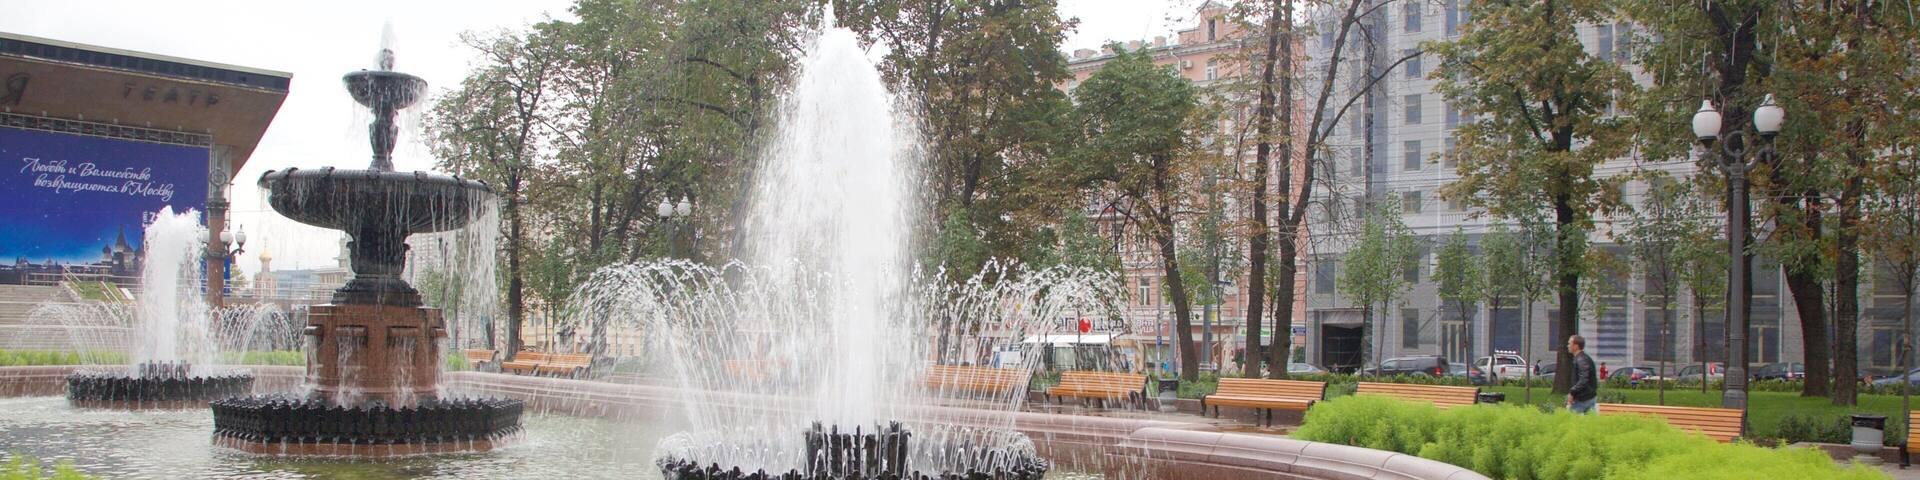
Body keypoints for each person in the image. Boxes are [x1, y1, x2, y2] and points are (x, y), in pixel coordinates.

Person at [1567, 335, 1598, 414]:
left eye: (1570, 343)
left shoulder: (1581, 360)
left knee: (1568, 420)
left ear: (1576, 346)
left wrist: (1572, 392)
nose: (1568, 346)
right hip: (1589, 395)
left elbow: (1583, 379)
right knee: (1591, 423)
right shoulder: (1583, 358)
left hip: (1583, 398)